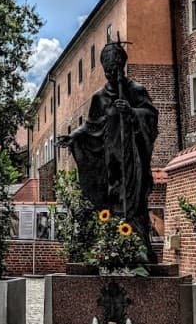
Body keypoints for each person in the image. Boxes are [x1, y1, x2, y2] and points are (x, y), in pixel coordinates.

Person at [57, 41, 159, 262]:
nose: (111, 74)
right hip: (109, 159)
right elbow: (92, 126)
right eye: (108, 70)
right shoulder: (99, 97)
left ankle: (139, 248)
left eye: (115, 69)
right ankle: (112, 247)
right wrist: (73, 136)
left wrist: (132, 111)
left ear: (122, 66)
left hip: (132, 159)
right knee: (111, 200)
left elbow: (150, 117)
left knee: (134, 201)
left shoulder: (135, 91)